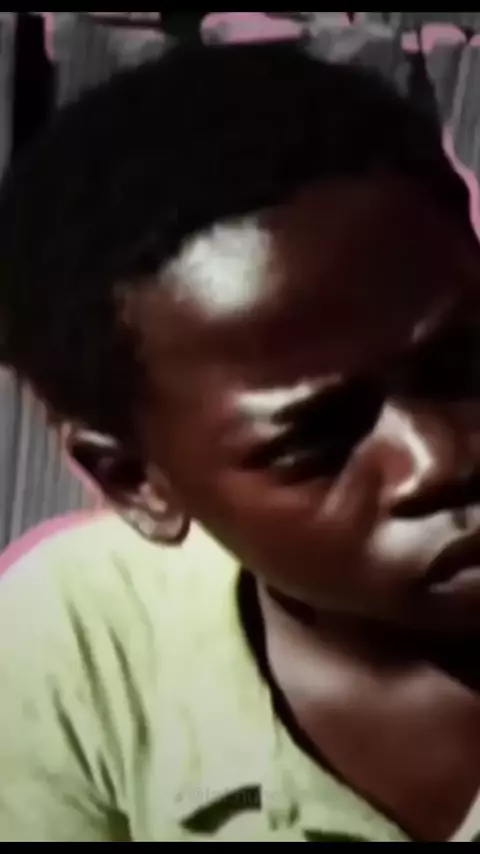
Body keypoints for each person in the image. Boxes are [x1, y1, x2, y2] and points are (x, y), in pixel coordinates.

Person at [0, 40, 479, 843]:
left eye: (466, 361)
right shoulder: (77, 654)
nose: (441, 459)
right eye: (316, 441)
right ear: (136, 482)